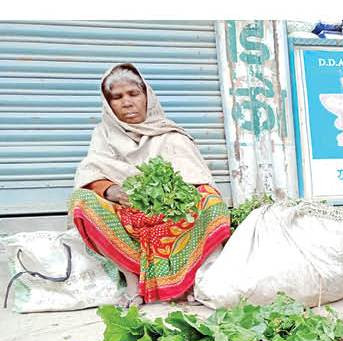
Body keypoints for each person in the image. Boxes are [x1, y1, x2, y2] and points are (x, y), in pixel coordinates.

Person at [70, 63, 230, 304]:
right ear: (108, 104)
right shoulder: (103, 135)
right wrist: (111, 190)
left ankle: (191, 279)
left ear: (147, 96)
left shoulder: (170, 135)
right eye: (117, 97)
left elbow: (197, 180)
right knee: (82, 201)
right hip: (128, 215)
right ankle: (133, 279)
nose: (126, 102)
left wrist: (175, 198)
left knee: (211, 200)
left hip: (172, 219)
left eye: (134, 94)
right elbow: (91, 172)